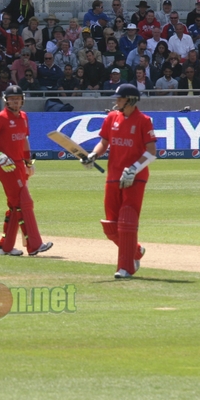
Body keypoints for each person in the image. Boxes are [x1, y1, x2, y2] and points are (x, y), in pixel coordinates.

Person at [82, 83, 155, 279]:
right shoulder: (112, 117)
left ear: (130, 100)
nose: (116, 102)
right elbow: (104, 142)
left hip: (135, 178)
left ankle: (125, 267)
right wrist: (93, 155)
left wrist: (133, 169)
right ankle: (136, 251)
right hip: (113, 176)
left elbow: (151, 152)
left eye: (120, 99)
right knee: (110, 225)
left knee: (127, 221)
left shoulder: (144, 121)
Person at [0, 85, 52, 257]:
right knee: (24, 201)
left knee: (15, 206)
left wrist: (29, 162)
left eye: (18, 98)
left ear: (22, 100)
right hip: (6, 165)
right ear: (6, 100)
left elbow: (24, 141)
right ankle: (34, 245)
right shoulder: (0, 118)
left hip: (20, 164)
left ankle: (5, 247)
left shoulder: (24, 117)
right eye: (12, 99)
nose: (15, 101)